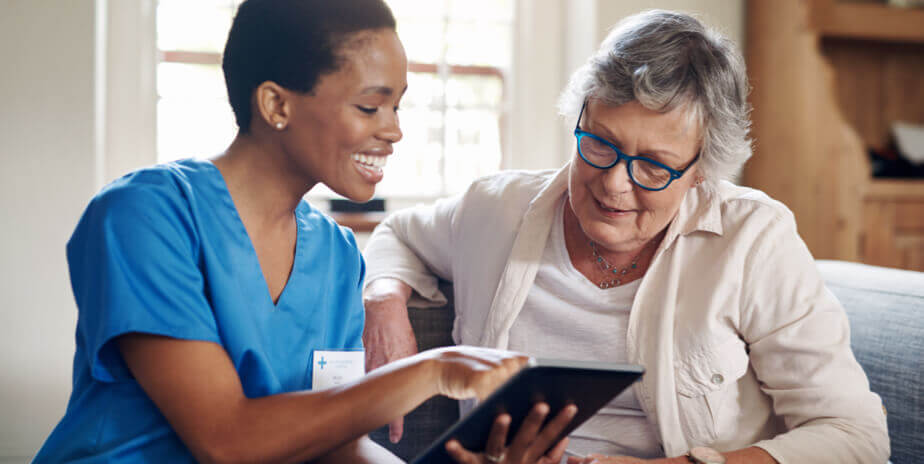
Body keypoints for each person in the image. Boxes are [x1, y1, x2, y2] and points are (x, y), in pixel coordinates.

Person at [33, 1, 575, 462]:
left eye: (397, 105)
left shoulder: (336, 254)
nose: (394, 130)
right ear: (276, 104)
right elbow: (225, 440)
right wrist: (432, 370)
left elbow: (333, 443)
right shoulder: (143, 216)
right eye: (370, 105)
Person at [362, 10, 890, 464]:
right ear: (580, 117)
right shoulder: (494, 209)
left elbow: (856, 437)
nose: (614, 184)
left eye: (654, 167)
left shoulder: (753, 240)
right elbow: (398, 235)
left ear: (702, 171)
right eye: (599, 144)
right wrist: (385, 299)